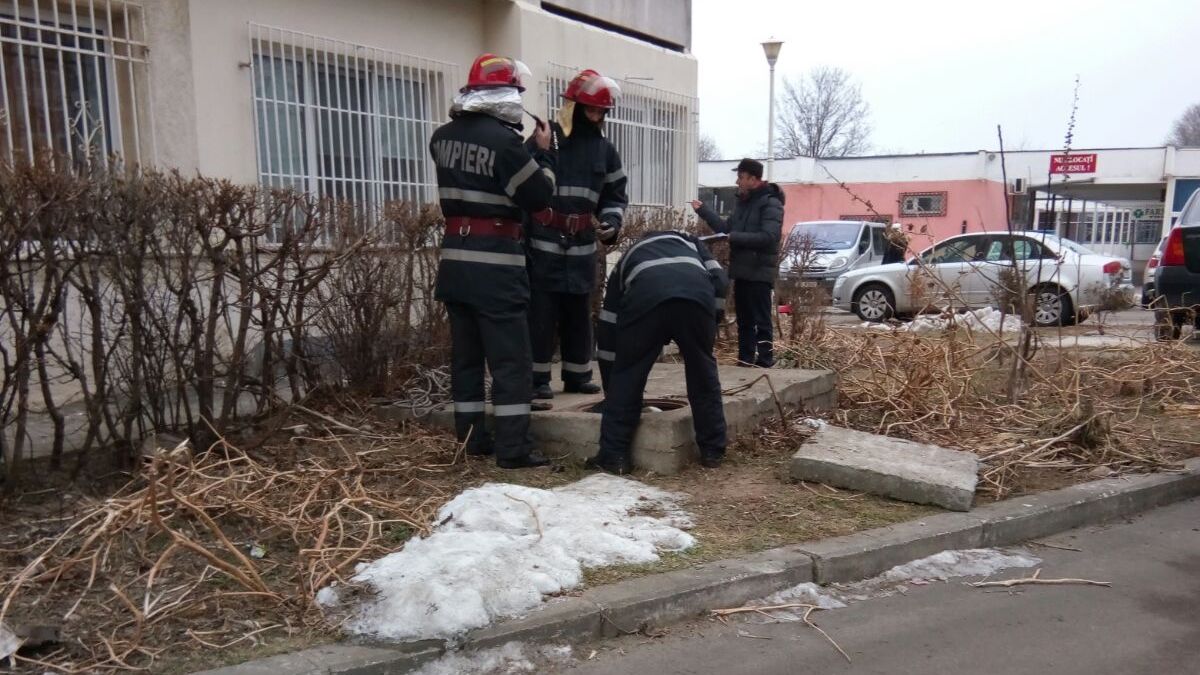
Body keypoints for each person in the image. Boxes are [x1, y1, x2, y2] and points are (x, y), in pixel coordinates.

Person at [430, 54, 557, 469]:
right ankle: (513, 449)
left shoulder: (441, 138)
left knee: (466, 360)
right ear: (506, 95)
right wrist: (543, 155)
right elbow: (537, 195)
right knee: (510, 362)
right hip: (496, 267)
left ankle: (471, 440)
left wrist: (522, 150)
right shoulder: (505, 143)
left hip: (455, 263)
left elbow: (484, 174)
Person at [589, 230, 730, 474]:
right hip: (696, 298)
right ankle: (713, 451)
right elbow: (719, 279)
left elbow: (609, 325)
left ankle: (615, 457)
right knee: (702, 373)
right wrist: (710, 323)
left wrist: (612, 385)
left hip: (646, 298)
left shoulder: (629, 257)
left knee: (629, 374)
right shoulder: (692, 244)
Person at [527, 69, 628, 400]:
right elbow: (524, 182)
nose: (596, 116)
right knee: (541, 313)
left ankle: (578, 375)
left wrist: (611, 222)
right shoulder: (547, 137)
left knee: (579, 312)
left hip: (582, 243)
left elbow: (615, 195)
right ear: (574, 106)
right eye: (591, 109)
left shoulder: (605, 150)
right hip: (544, 239)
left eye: (601, 111)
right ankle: (537, 380)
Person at [690, 158, 784, 368]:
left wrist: (735, 237)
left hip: (759, 272)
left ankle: (765, 360)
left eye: (741, 177)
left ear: (753, 179)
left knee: (762, 320)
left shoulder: (771, 203)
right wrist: (704, 211)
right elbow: (726, 229)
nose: (737, 181)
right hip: (741, 270)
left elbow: (769, 237)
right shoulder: (743, 203)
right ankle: (745, 360)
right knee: (744, 321)